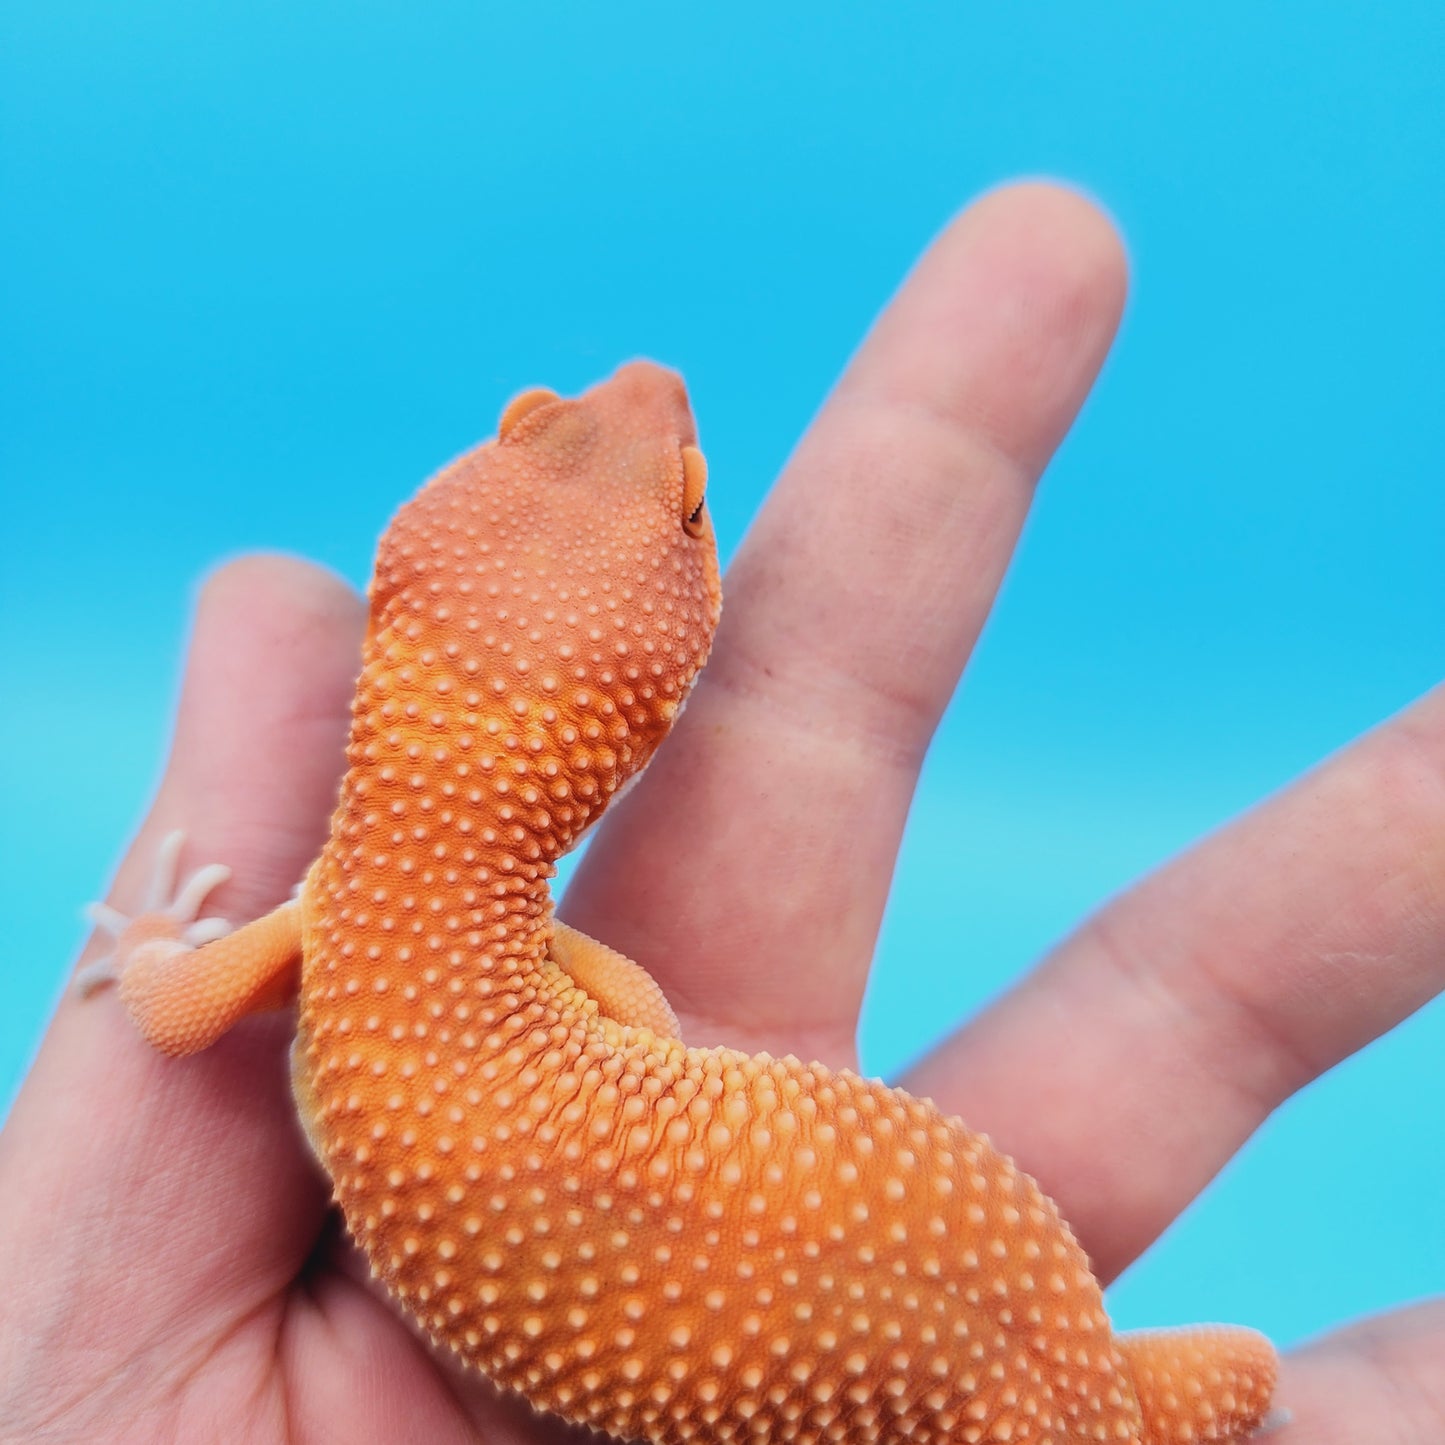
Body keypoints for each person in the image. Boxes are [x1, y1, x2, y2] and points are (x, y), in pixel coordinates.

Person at [1, 183, 1438, 1442]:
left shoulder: (326, 925)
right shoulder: (493, 957)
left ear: (405, 596)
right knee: (1233, 1372)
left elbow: (174, 1008)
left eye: (673, 499)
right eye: (546, 430)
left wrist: (145, 941)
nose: (641, 386)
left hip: (946, 1337)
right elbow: (630, 1018)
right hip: (1043, 1351)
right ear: (629, 727)